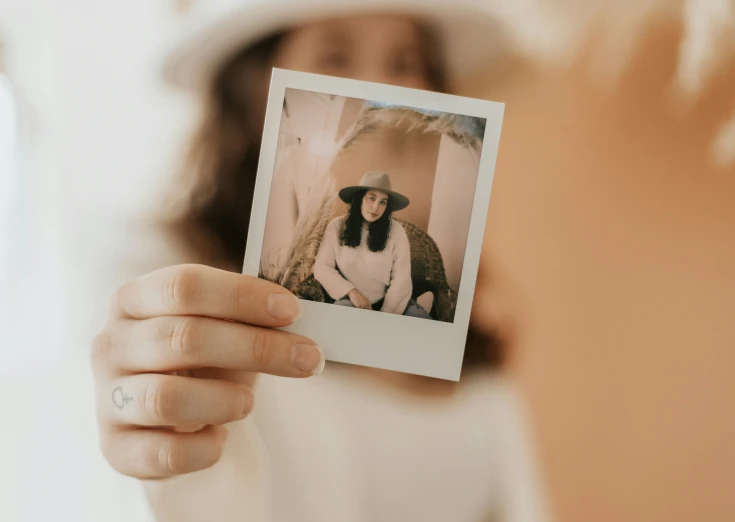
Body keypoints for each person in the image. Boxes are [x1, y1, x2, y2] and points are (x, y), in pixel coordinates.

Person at [91, 1, 549, 521]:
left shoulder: (451, 304)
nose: (377, 87)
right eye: (335, 56)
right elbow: (136, 476)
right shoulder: (168, 281)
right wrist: (140, 418)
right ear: (252, 90)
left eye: (403, 62)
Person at [313, 171, 432, 319]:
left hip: (392, 302)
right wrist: (352, 292)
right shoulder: (337, 226)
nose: (376, 207)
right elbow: (322, 267)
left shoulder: (396, 231)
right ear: (359, 199)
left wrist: (384, 316)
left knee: (422, 321)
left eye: (383, 202)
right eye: (371, 198)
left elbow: (402, 280)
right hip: (351, 300)